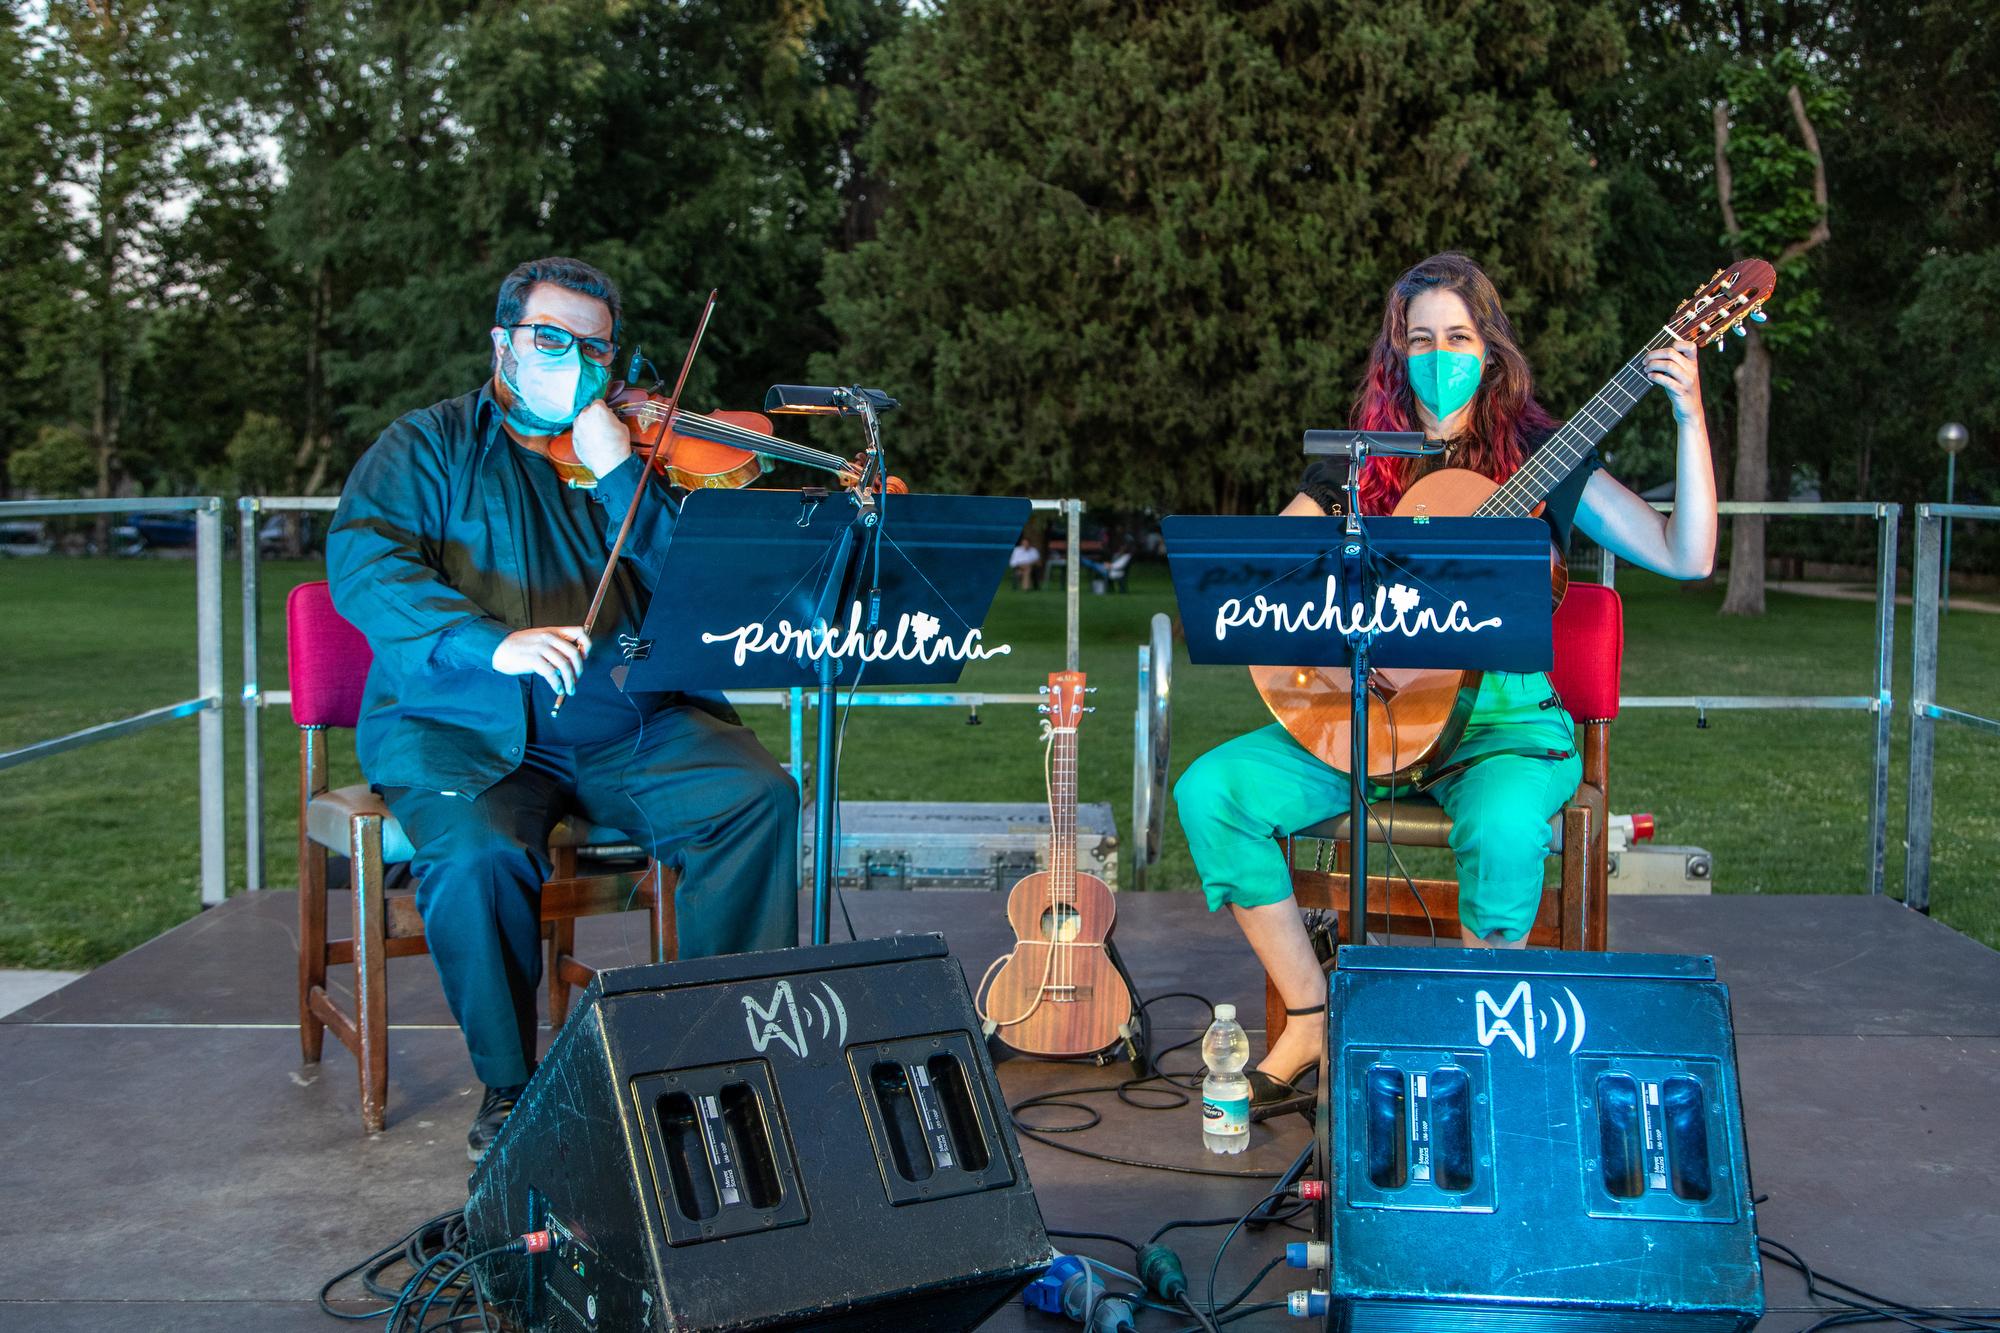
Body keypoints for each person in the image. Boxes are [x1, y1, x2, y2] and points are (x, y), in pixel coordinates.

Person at [1172, 251, 1717, 1119]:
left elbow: (1686, 555)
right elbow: (1265, 572)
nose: (1439, 353)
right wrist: (1346, 620)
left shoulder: (1541, 454)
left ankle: (1478, 1054)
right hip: (1375, 723)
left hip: (1500, 729)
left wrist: (1688, 414)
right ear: (1397, 354)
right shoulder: (1360, 463)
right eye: (1419, 338)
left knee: (1502, 830)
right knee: (1212, 791)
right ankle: (1311, 1015)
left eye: (1457, 335)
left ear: (1490, 347)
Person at [326, 256, 799, 1160]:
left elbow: (698, 587)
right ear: (504, 341)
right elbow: (365, 564)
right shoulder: (424, 447)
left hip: (630, 724)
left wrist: (622, 473)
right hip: (466, 728)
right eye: (551, 339)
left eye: (594, 346)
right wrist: (487, 642)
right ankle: (511, 1086)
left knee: (756, 799)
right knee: (474, 854)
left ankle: (723, 1058)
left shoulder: (628, 448)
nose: (573, 359)